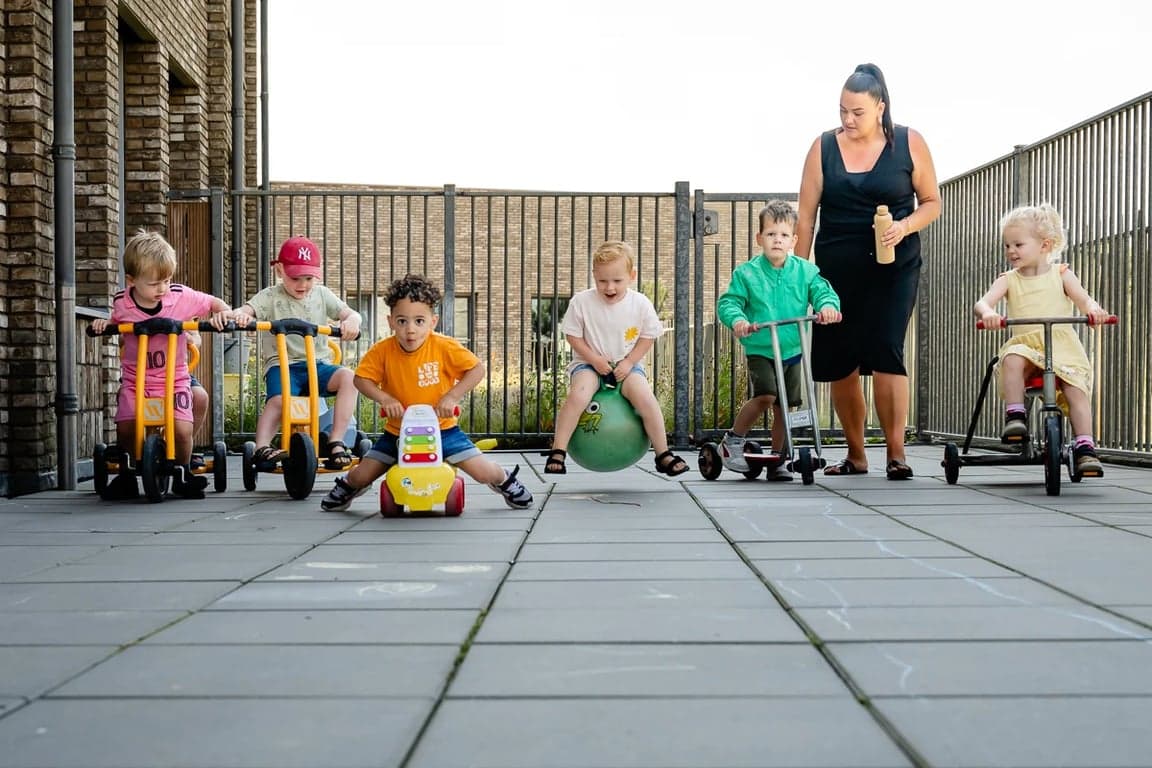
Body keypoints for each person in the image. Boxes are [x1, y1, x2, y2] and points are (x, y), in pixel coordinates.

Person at [795, 62, 941, 480]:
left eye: (857, 111)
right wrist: (801, 276)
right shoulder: (822, 147)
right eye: (842, 110)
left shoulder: (909, 142)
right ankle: (856, 455)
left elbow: (931, 201)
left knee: (885, 348)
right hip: (836, 268)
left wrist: (904, 226)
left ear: (880, 107)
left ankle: (897, 454)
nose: (847, 119)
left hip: (894, 264)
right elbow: (805, 219)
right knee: (840, 357)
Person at [320, 274, 534, 512]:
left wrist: (452, 396)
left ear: (433, 321)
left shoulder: (444, 346)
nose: (410, 330)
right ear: (390, 321)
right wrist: (385, 398)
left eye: (419, 321)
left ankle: (504, 479)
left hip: (444, 430)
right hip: (397, 432)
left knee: (482, 471)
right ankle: (348, 486)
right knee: (362, 474)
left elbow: (476, 369)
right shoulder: (382, 351)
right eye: (402, 321)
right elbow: (361, 379)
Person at [90, 229, 236, 499]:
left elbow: (215, 303)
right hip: (136, 380)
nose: (162, 289)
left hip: (175, 379)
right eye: (154, 283)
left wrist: (223, 314)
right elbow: (114, 321)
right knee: (126, 425)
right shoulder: (123, 303)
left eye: (166, 281)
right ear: (132, 281)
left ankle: (182, 473)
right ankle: (128, 473)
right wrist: (104, 325)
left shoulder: (179, 297)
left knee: (182, 430)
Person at [973, 204, 1110, 475]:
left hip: (1060, 348)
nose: (1011, 251)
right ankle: (1015, 416)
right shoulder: (1008, 279)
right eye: (1007, 245)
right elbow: (983, 302)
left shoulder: (1061, 274)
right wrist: (988, 313)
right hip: (1026, 346)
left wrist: (1093, 310)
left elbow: (1083, 299)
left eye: (1018, 244)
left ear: (1044, 245)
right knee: (1011, 358)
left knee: (1075, 390)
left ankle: (1085, 447)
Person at [717, 200, 842, 480]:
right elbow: (729, 303)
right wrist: (738, 320)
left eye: (784, 235)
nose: (777, 240)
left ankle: (779, 458)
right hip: (761, 348)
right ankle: (733, 440)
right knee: (766, 396)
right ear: (759, 238)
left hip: (792, 349)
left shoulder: (805, 271)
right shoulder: (747, 273)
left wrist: (827, 307)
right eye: (771, 234)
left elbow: (823, 291)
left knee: (786, 406)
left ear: (794, 240)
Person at [543, 240, 688, 477]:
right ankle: (558, 451)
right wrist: (595, 359)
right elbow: (572, 336)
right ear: (594, 276)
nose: (609, 287)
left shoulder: (640, 303)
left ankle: (663, 454)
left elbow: (648, 336)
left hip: (627, 365)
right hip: (588, 364)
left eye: (617, 281)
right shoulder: (581, 302)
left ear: (632, 276)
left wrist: (630, 362)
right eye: (602, 281)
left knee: (645, 397)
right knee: (578, 396)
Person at [236, 235, 362, 470]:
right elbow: (246, 310)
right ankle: (262, 447)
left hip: (318, 365)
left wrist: (353, 321)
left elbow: (350, 314)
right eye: (295, 278)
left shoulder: (322, 294)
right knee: (279, 401)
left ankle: (336, 441)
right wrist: (243, 316)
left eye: (308, 278)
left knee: (349, 378)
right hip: (282, 365)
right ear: (280, 270)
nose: (302, 285)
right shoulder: (270, 296)